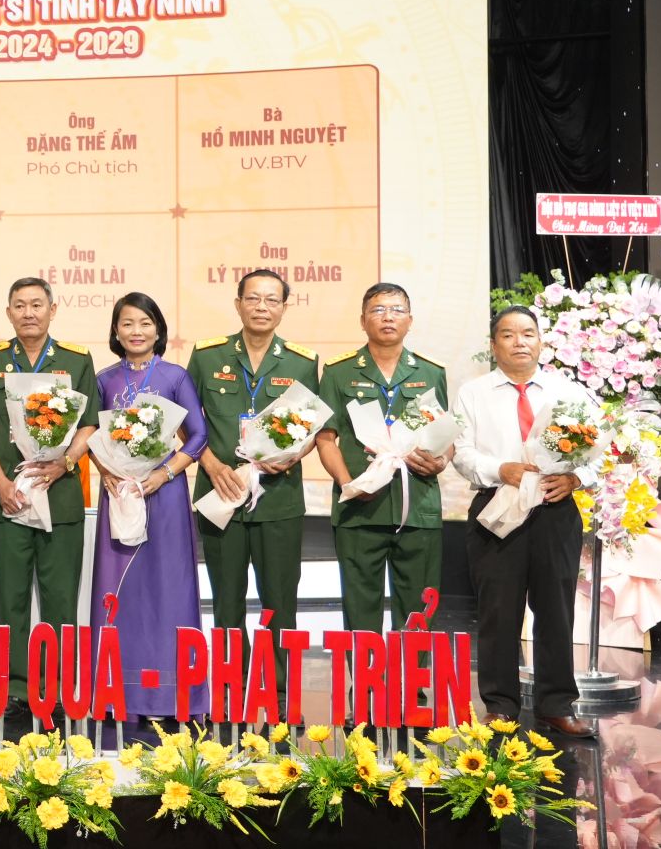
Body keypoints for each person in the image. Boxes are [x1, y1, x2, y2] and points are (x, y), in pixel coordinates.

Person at [452, 306, 598, 738]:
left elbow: (599, 449)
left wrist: (575, 478)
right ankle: (500, 706)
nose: (520, 342)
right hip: (497, 507)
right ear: (493, 344)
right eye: (508, 334)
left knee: (556, 610)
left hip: (554, 508)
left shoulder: (568, 391)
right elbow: (461, 453)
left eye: (528, 333)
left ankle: (557, 705)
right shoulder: (473, 393)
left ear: (541, 341)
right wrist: (502, 469)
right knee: (498, 611)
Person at [0, 277, 100, 731]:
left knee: (61, 600)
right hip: (8, 498)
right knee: (12, 599)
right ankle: (17, 689)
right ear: (9, 313)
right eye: (20, 305)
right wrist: (0, 481)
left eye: (37, 304)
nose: (29, 313)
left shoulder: (77, 360)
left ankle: (59, 688)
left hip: (60, 497)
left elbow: (89, 424)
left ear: (52, 310)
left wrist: (66, 463)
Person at [87, 292, 206, 728]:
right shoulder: (104, 380)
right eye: (127, 324)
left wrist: (165, 473)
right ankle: (117, 694)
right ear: (115, 331)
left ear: (158, 329)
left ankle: (176, 694)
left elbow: (198, 436)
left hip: (165, 495)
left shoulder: (175, 376)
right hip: (120, 494)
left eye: (145, 323)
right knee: (120, 593)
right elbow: (90, 436)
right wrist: (105, 470)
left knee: (169, 588)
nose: (136, 332)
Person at [186, 269, 318, 645]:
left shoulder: (302, 362)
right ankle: (229, 682)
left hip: (279, 499)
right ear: (238, 304)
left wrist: (293, 455)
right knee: (226, 604)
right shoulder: (208, 356)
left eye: (271, 300)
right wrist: (211, 465)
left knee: (280, 603)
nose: (262, 307)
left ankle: (278, 682)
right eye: (253, 298)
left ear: (284, 308)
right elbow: (185, 421)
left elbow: (314, 428)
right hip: (221, 494)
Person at [315, 283, 450, 637]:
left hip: (418, 504)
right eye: (377, 310)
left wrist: (442, 462)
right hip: (360, 507)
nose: (388, 317)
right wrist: (347, 484)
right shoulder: (339, 371)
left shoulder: (431, 372)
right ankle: (364, 673)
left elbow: (446, 436)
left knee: (418, 609)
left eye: (396, 310)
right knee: (360, 607)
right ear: (362, 321)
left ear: (410, 320)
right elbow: (325, 438)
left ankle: (413, 675)